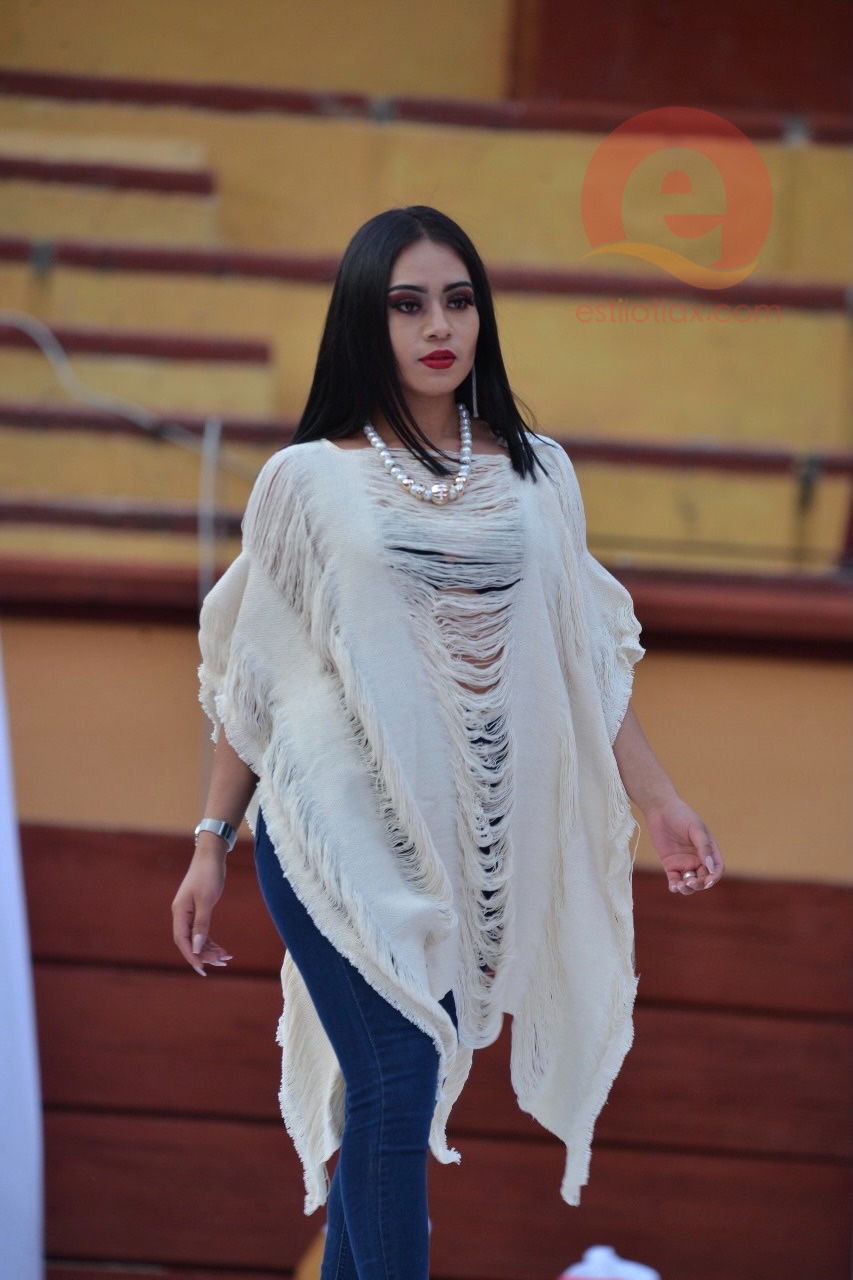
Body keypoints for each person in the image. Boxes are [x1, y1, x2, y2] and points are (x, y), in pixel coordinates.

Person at [171, 206, 724, 1280]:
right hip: (329, 830)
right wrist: (210, 841)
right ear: (362, 321)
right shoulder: (305, 480)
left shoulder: (538, 475)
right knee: (395, 1075)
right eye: (408, 304)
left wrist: (657, 800)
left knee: (390, 1093)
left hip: (468, 833)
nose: (439, 326)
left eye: (459, 301)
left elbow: (583, 654)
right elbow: (256, 679)